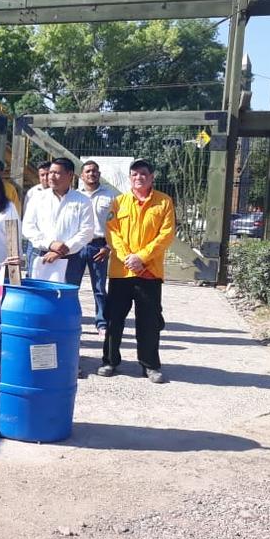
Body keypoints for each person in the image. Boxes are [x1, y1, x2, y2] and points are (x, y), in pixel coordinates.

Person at [97, 159, 175, 384]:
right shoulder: (119, 202)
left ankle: (150, 365)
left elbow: (166, 234)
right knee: (114, 319)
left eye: (143, 174)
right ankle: (110, 361)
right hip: (122, 272)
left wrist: (142, 257)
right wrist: (128, 258)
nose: (138, 177)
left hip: (149, 272)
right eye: (134, 174)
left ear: (151, 177)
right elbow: (112, 232)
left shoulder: (164, 202)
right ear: (130, 178)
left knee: (149, 321)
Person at [21, 158, 94, 285]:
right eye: (50, 172)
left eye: (56, 173)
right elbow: (28, 227)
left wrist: (63, 250)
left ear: (70, 175)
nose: (51, 177)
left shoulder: (82, 201)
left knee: (65, 294)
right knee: (39, 293)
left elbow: (87, 231)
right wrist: (50, 244)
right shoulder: (37, 198)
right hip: (40, 254)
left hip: (71, 258)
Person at [77, 160, 119, 336]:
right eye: (87, 171)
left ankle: (101, 322)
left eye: (94, 171)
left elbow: (116, 224)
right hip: (77, 247)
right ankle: (73, 320)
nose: (91, 174)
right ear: (81, 176)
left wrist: (108, 246)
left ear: (99, 174)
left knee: (100, 288)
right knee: (72, 286)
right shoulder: (75, 196)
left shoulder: (110, 197)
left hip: (99, 246)